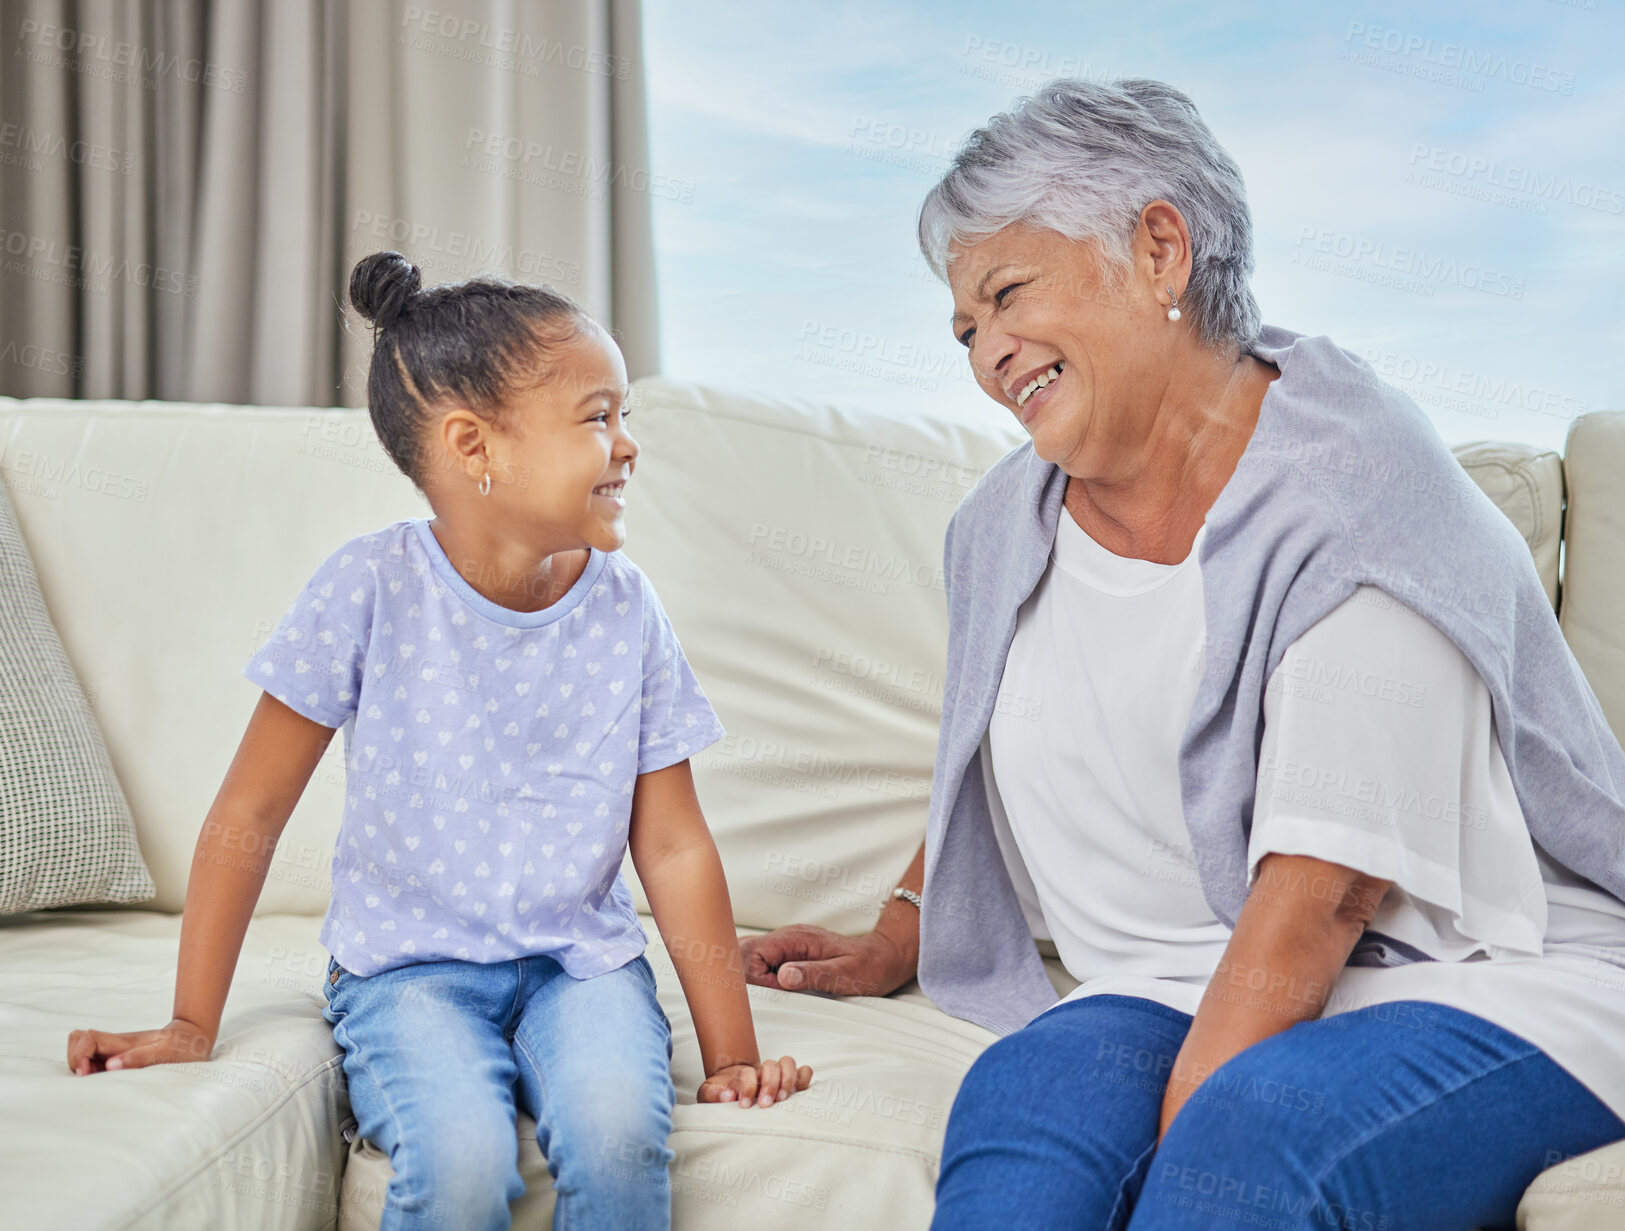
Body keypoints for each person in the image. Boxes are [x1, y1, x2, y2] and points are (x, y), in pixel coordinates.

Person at [741, 77, 1625, 1230]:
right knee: (1024, 1112)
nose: (988, 352)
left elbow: (1323, 891)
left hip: (1483, 982)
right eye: (965, 328)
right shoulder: (1002, 530)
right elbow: (995, 746)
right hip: (1161, 980)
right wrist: (898, 931)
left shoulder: (1358, 493)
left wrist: (1183, 1146)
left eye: (1009, 293)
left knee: (1255, 1142)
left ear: (1159, 248)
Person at [65, 251, 813, 1231]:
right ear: (474, 446)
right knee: (459, 1165)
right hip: (404, 975)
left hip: (579, 969)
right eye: (598, 416)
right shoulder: (367, 591)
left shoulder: (627, 608)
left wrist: (731, 1057)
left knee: (620, 1141)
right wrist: (189, 1022)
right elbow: (248, 811)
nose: (627, 445)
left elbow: (671, 843)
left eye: (624, 415)